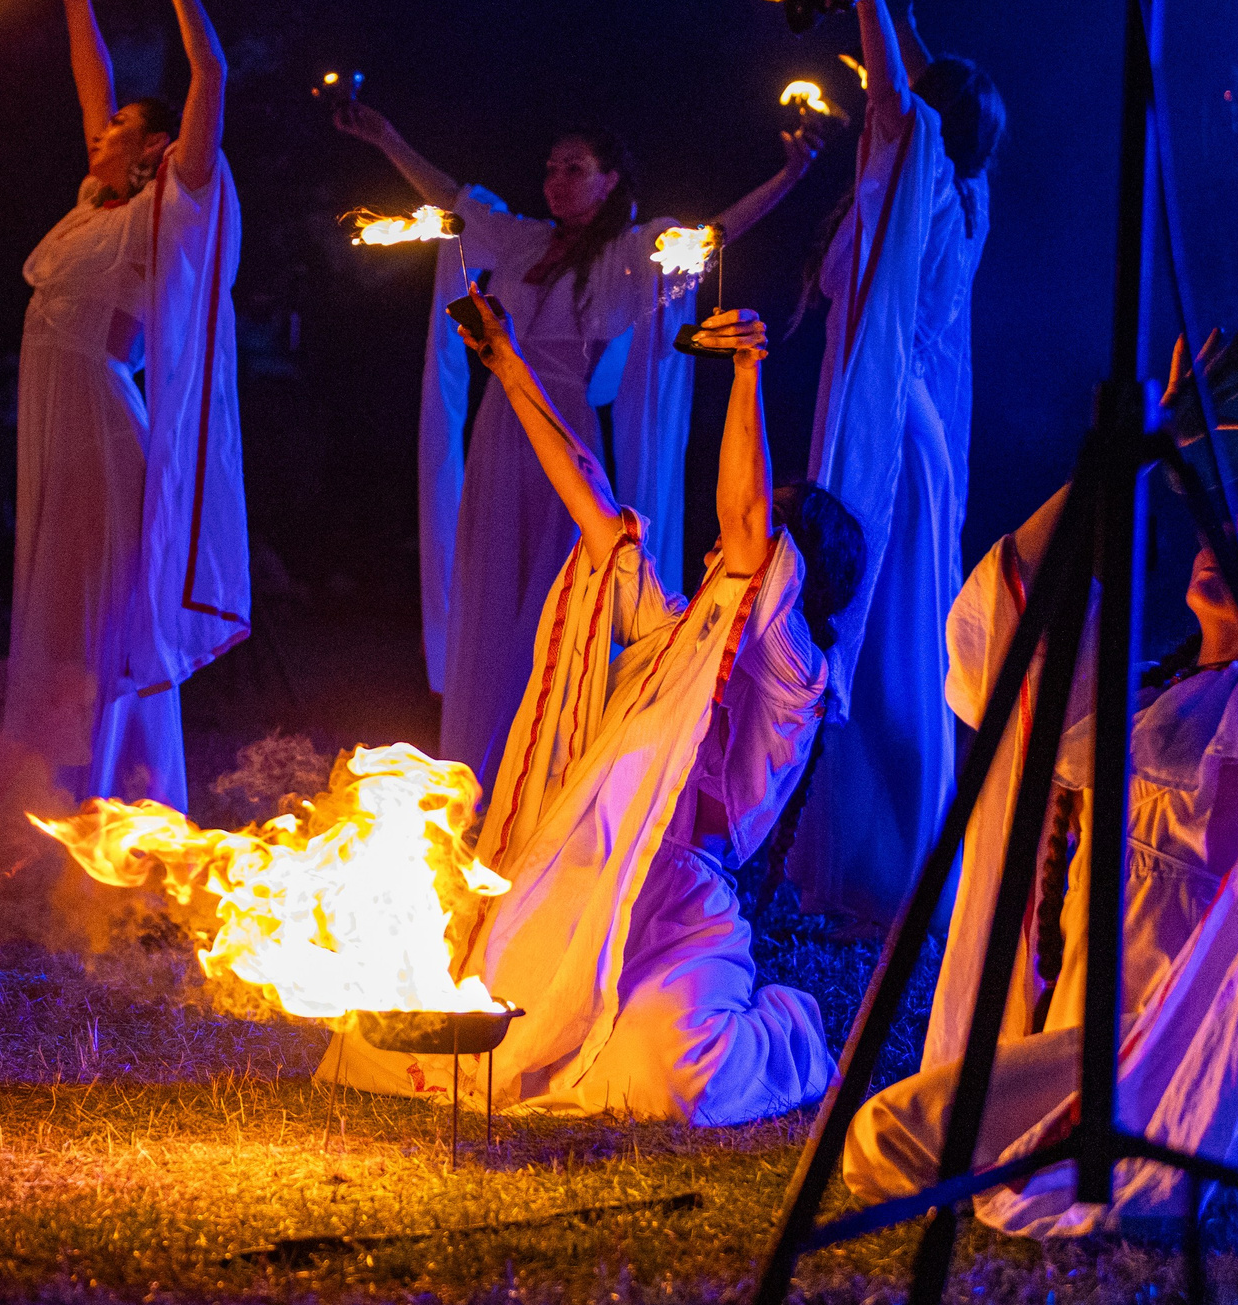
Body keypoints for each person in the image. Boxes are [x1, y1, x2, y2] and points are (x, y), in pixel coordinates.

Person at [843, 332, 1238, 1234]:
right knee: (888, 1142)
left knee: (895, 1138)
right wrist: (1141, 442)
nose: (1225, 542)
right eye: (1228, 529)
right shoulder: (1134, 696)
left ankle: (1214, 1141)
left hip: (1198, 1024)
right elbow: (1022, 596)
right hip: (1086, 1027)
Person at [323, 291, 859, 1123]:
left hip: (682, 908)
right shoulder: (677, 631)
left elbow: (749, 524)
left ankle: (790, 1027)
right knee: (406, 1041)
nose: (718, 544)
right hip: (582, 874)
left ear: (795, 578)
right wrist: (507, 364)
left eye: (755, 546)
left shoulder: (796, 676)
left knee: (673, 1081)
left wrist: (747, 370)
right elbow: (595, 502)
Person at [334, 101, 821, 783]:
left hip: (562, 427)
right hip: (500, 428)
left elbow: (711, 235)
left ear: (611, 179)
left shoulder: (627, 253)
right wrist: (387, 137)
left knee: (552, 594)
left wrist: (791, 175)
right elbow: (453, 201)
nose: (557, 180)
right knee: (492, 586)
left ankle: (541, 765)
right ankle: (476, 767)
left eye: (575, 168)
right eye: (550, 168)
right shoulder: (525, 240)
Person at [4, 0, 248, 811]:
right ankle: (56, 794)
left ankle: (122, 801)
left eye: (119, 126)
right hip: (58, 421)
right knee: (64, 601)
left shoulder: (169, 211)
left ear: (152, 149)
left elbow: (210, 78)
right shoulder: (98, 203)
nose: (100, 129)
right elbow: (90, 84)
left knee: (107, 610)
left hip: (105, 425)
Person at [785, 0, 1006, 928]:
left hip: (891, 441)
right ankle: (875, 849)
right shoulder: (965, 192)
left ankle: (881, 863)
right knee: (891, 634)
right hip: (912, 427)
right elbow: (922, 102)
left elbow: (897, 102)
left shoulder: (919, 165)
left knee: (873, 630)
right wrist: (913, 33)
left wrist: (868, 1)